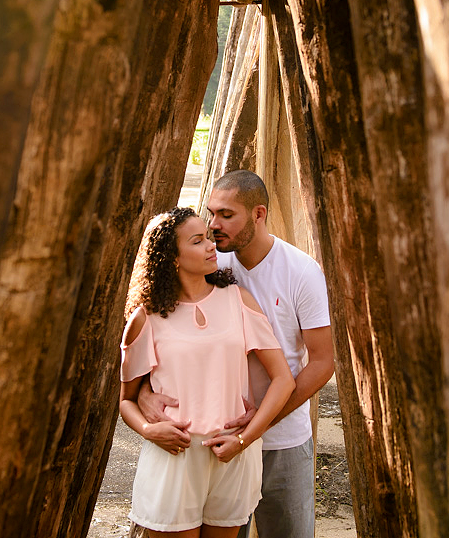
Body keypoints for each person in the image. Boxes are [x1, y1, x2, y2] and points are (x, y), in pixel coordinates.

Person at [140, 171, 335, 538]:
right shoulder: (211, 265)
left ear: (258, 214)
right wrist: (145, 393)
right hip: (213, 442)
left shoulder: (301, 272)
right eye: (212, 214)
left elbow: (323, 361)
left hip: (282, 441)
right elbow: (168, 335)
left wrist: (260, 422)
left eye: (227, 215)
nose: (214, 226)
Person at [120, 206, 296, 538]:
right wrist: (147, 429)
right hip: (175, 456)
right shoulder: (146, 319)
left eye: (209, 238)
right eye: (198, 241)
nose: (211, 246)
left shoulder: (238, 299)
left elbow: (283, 380)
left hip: (233, 455)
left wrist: (245, 439)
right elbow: (126, 401)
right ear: (171, 257)